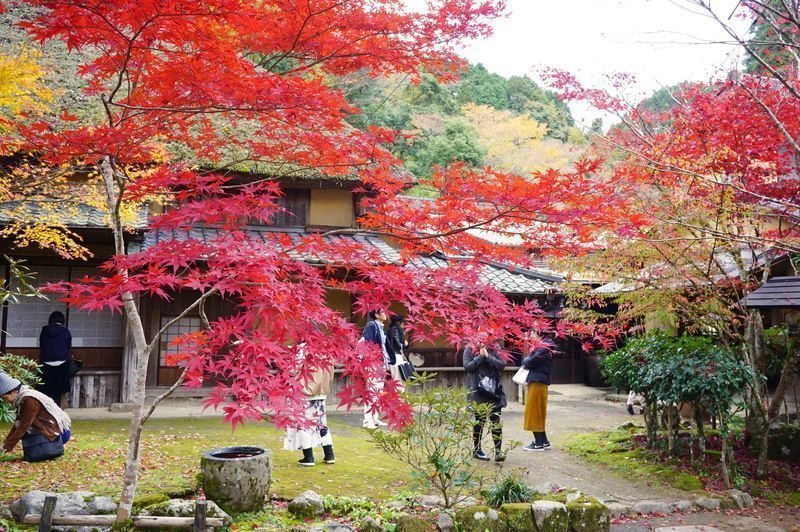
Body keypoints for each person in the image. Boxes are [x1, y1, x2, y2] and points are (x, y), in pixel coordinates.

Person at [1, 371, 71, 462]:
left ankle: (46, 451)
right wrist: (5, 444)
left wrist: (7, 446)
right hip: (52, 429)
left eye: (5, 398)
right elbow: (17, 423)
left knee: (24, 427)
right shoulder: (22, 397)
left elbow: (24, 425)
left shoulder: (29, 399)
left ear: (14, 392)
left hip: (59, 433)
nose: (6, 401)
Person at [284, 351, 336, 467]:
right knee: (321, 423)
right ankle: (329, 454)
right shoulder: (326, 349)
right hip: (321, 391)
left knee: (303, 423)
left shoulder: (303, 349)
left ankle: (308, 456)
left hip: (304, 391)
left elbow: (293, 369)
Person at [463, 342, 507, 462]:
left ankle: (498, 451)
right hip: (478, 390)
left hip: (494, 391)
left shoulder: (496, 347)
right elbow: (467, 367)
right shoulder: (469, 348)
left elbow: (502, 365)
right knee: (479, 422)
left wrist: (488, 356)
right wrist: (480, 357)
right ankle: (477, 450)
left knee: (495, 421)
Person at [522, 335, 555, 452]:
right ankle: (544, 441)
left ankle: (538, 444)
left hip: (538, 382)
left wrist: (526, 359)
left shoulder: (544, 347)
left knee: (534, 412)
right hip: (539, 381)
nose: (530, 335)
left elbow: (530, 362)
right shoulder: (545, 346)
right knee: (538, 411)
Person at [360, 309, 389, 429]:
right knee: (372, 391)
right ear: (376, 315)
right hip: (373, 363)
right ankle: (368, 420)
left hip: (380, 363)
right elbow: (367, 343)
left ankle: (375, 418)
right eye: (382, 312)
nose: (385, 313)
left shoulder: (381, 327)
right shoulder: (372, 326)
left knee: (378, 391)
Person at [38, 311, 73, 405]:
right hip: (62, 362)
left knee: (47, 389)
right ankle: (60, 409)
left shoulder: (44, 331)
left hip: (46, 361)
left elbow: (42, 346)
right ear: (62, 320)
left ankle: (47, 409)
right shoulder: (66, 332)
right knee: (61, 389)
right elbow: (68, 347)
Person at [386, 314, 408, 391]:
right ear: (399, 323)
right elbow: (398, 344)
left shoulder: (390, 330)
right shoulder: (395, 330)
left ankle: (398, 398)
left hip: (392, 356)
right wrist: (404, 344)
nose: (403, 325)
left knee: (396, 378)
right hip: (396, 356)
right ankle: (400, 398)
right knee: (399, 378)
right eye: (402, 323)